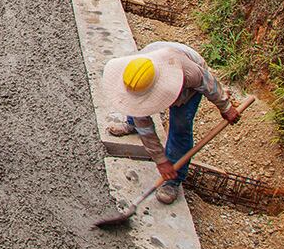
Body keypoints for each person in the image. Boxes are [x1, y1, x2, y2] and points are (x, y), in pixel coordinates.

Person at [102, 42, 242, 204]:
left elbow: (208, 83)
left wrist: (225, 107)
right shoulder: (137, 70)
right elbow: (146, 129)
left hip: (188, 83)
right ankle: (132, 123)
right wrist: (160, 160)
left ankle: (173, 180)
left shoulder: (188, 73)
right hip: (155, 61)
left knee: (180, 127)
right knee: (136, 106)